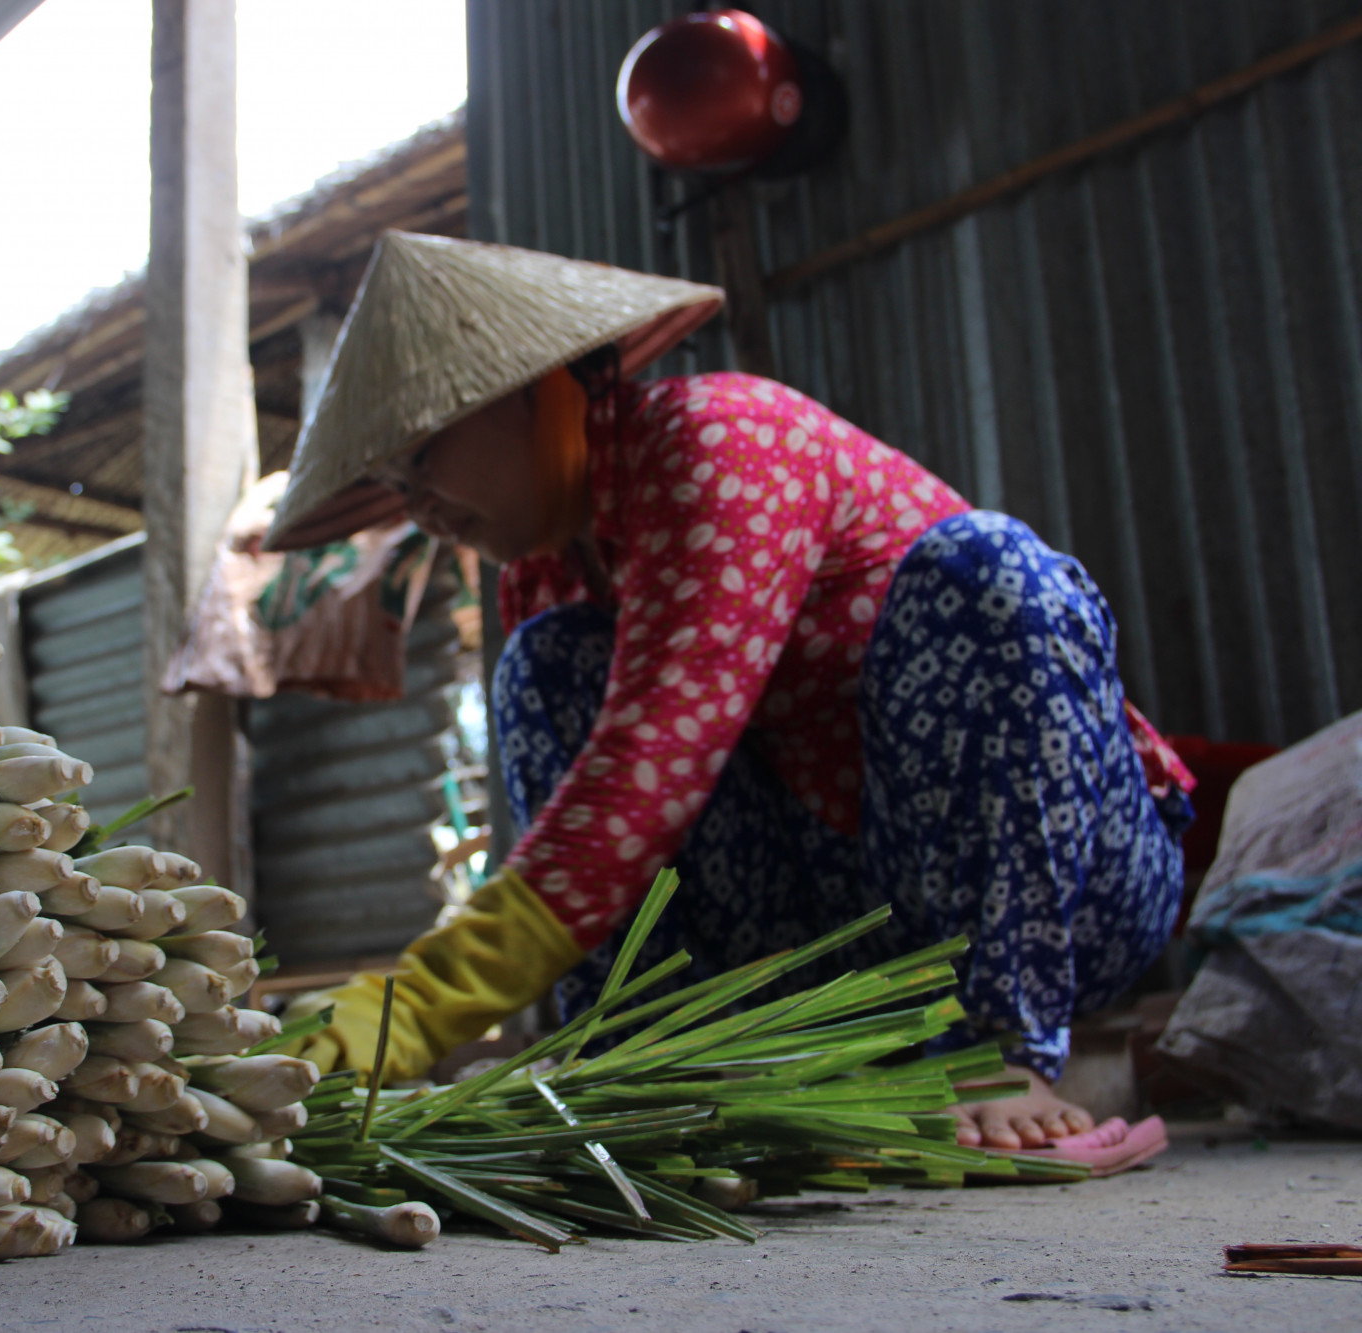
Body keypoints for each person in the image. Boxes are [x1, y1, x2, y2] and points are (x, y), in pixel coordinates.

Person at [264, 232, 1194, 1150]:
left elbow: (648, 765)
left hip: (1070, 891)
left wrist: (421, 1001)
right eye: (390, 483)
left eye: (422, 456)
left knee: (985, 568)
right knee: (545, 665)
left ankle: (1006, 1042)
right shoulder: (543, 575)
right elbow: (618, 810)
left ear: (541, 386)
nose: (416, 508)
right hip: (852, 914)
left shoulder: (720, 442)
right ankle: (641, 1055)